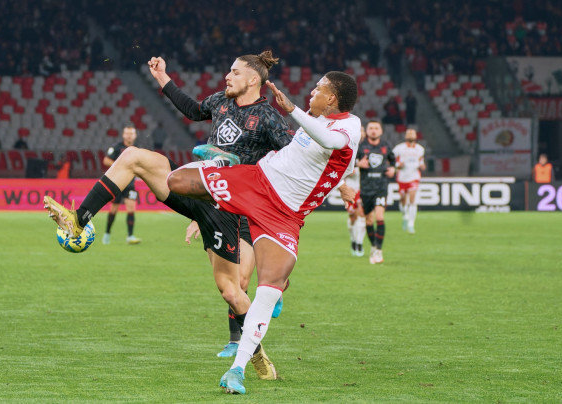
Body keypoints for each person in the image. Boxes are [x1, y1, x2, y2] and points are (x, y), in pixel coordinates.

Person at [44, 51, 293, 380]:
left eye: (233, 72)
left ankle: (254, 351)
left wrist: (339, 181)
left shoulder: (269, 117)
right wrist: (162, 76)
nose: (226, 76)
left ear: (252, 80)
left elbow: (293, 158)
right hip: (196, 190)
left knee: (232, 291)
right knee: (134, 156)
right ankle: (80, 218)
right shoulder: (220, 101)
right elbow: (192, 110)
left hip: (229, 209)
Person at [165, 72, 360, 394]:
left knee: (266, 291)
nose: (312, 91)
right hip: (257, 181)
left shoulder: (349, 126)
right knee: (176, 182)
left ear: (333, 99)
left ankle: (237, 370)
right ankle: (227, 164)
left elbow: (332, 145)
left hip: (284, 216)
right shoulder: (313, 118)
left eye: (319, 88)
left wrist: (293, 109)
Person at [357, 121, 395, 264]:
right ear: (367, 131)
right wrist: (358, 164)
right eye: (371, 128)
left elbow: (393, 161)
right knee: (369, 220)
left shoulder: (386, 146)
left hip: (381, 187)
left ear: (381, 131)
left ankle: (378, 250)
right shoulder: (361, 147)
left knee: (379, 217)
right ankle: (373, 246)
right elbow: (350, 162)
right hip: (366, 189)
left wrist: (393, 169)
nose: (373, 131)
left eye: (376, 128)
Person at [103, 126, 141, 245]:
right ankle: (107, 234)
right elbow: (106, 160)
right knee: (114, 209)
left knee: (131, 209)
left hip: (130, 184)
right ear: (123, 135)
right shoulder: (117, 148)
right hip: (118, 184)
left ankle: (130, 236)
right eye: (127, 133)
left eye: (131, 133)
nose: (129, 135)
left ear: (135, 136)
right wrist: (121, 164)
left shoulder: (136, 150)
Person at [340, 125, 367, 257]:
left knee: (362, 214)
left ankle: (359, 243)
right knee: (353, 217)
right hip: (351, 188)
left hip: (364, 188)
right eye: (359, 131)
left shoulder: (369, 150)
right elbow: (343, 170)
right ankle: (353, 240)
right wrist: (357, 166)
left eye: (362, 131)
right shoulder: (348, 148)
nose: (361, 133)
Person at [393, 129, 425, 234]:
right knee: (402, 199)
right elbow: (390, 159)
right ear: (405, 135)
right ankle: (405, 216)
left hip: (414, 176)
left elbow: (421, 161)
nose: (411, 134)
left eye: (413, 133)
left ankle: (411, 224)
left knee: (412, 199)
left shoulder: (420, 149)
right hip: (402, 177)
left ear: (416, 136)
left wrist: (422, 165)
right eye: (409, 133)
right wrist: (397, 166)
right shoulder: (399, 148)